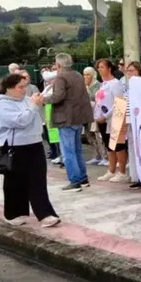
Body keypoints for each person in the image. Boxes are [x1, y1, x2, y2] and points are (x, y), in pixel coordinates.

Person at [0, 73, 60, 228]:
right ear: (9, 88)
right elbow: (19, 121)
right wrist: (33, 107)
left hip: (34, 143)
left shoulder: (27, 100)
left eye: (25, 86)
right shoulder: (2, 103)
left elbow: (37, 119)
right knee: (14, 181)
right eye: (20, 87)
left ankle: (45, 214)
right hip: (13, 146)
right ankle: (13, 213)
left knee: (38, 179)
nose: (24, 90)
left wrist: (36, 104)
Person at [45, 53, 94, 191]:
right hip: (79, 118)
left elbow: (57, 97)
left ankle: (74, 181)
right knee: (77, 150)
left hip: (65, 119)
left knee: (68, 152)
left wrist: (43, 99)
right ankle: (83, 178)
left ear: (59, 64)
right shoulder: (78, 75)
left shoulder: (61, 77)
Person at [94, 58, 130, 183]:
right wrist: (97, 116)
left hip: (114, 118)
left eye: (102, 67)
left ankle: (123, 172)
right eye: (98, 67)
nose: (100, 69)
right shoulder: (103, 84)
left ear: (109, 68)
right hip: (102, 119)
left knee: (118, 145)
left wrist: (106, 116)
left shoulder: (116, 84)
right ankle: (111, 169)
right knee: (109, 146)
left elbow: (118, 103)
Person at [123, 62, 141, 189]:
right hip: (129, 119)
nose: (129, 73)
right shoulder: (127, 85)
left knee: (139, 148)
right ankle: (135, 175)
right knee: (131, 148)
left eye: (132, 71)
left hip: (139, 120)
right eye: (127, 71)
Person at [83, 67, 108, 166]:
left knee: (98, 136)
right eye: (84, 74)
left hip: (96, 114)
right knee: (89, 136)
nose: (85, 77)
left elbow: (96, 98)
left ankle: (105, 156)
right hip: (86, 114)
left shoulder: (97, 85)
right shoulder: (84, 86)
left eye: (88, 74)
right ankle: (98, 155)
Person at [40, 69, 61, 164]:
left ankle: (61, 155)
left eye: (52, 79)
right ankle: (58, 154)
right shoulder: (48, 87)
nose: (50, 81)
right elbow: (42, 96)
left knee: (58, 135)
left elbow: (49, 98)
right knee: (52, 135)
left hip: (55, 112)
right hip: (48, 113)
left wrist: (43, 99)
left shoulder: (57, 88)